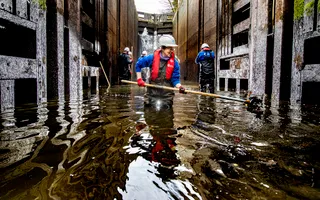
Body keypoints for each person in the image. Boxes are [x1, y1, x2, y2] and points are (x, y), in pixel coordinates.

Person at [135, 35, 186, 107]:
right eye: (170, 48)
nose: (172, 51)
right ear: (162, 48)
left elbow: (175, 80)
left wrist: (180, 87)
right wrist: (139, 79)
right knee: (150, 115)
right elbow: (138, 65)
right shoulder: (151, 58)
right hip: (151, 95)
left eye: (172, 49)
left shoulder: (175, 63)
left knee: (166, 116)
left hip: (167, 96)